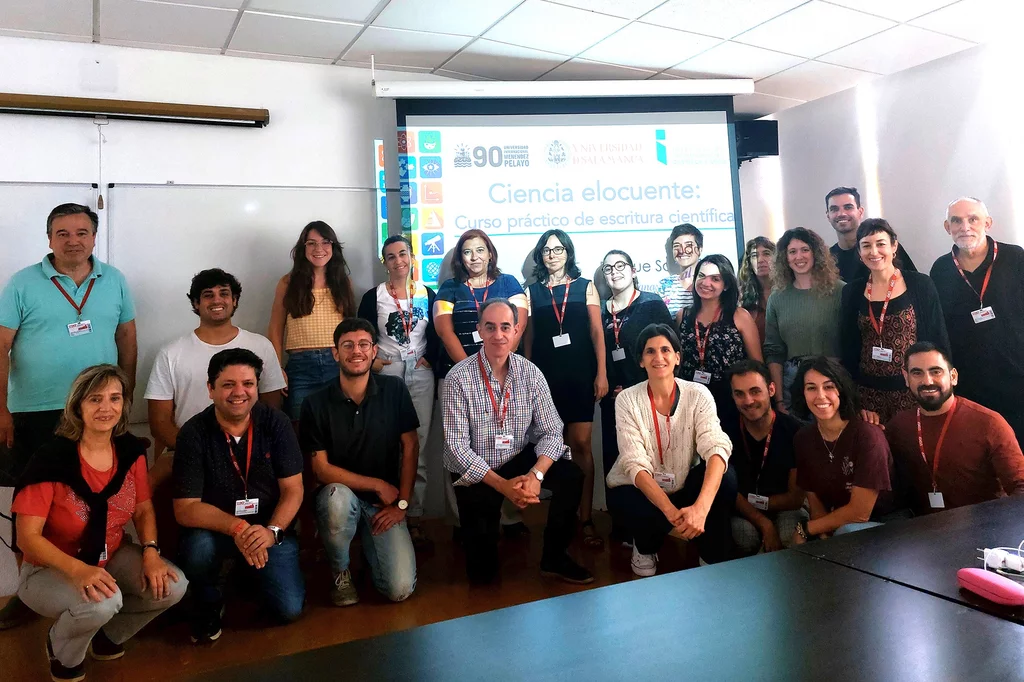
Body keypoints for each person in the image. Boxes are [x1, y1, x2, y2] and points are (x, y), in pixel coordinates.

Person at [0, 202, 137, 630]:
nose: (73, 240)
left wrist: (124, 397)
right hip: (35, 411)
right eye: (63, 233)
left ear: (94, 237)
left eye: (82, 232)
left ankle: (95, 576)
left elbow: (127, 336)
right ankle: (30, 587)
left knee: (97, 498)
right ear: (49, 239)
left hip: (98, 413)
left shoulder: (114, 280)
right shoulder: (22, 283)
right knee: (30, 507)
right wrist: (0, 408)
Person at [12, 365, 185, 682]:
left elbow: (143, 509)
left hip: (113, 554)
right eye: (95, 399)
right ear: (78, 406)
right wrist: (79, 570)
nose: (107, 408)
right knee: (103, 603)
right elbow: (28, 538)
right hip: (48, 569)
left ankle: (108, 636)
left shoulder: (131, 450)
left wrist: (150, 552)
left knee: (173, 586)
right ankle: (63, 652)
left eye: (115, 398)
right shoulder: (50, 459)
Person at [442, 298, 592, 585]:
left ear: (516, 330)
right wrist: (502, 486)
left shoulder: (531, 373)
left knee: (572, 476)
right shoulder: (458, 378)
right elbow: (457, 448)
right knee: (482, 575)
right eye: (490, 327)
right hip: (477, 469)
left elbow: (552, 431)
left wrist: (536, 475)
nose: (498, 335)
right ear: (479, 331)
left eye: (505, 327)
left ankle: (555, 558)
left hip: (517, 456)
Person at [173, 349, 305, 643]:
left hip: (268, 529)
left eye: (248, 383)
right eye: (228, 384)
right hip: (217, 531)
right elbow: (186, 509)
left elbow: (294, 490)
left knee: (289, 609)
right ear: (210, 390)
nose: (239, 392)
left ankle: (246, 576)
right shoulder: (193, 433)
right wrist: (238, 528)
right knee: (197, 549)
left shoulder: (276, 424)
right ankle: (208, 599)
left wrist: (271, 531)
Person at [300, 318, 418, 606]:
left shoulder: (395, 390)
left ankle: (370, 549)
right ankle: (341, 573)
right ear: (335, 353)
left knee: (399, 589)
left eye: (364, 344)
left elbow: (411, 446)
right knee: (337, 499)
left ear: (374, 351)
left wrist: (402, 504)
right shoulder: (314, 403)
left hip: (385, 506)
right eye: (348, 345)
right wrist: (377, 484)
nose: (357, 351)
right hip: (339, 498)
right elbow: (321, 469)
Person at [606, 324, 735, 575]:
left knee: (726, 478)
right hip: (641, 487)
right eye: (650, 351)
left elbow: (716, 445)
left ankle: (710, 552)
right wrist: (671, 513)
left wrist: (701, 509)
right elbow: (634, 462)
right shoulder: (627, 399)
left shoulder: (698, 394)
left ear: (677, 357)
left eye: (666, 350)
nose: (658, 357)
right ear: (641, 361)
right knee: (628, 501)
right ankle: (644, 546)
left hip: (683, 483)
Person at [434, 229, 528, 535]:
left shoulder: (509, 283)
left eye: (480, 250)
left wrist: (498, 365)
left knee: (508, 443)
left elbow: (518, 325)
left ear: (490, 253)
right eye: (467, 252)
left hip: (505, 376)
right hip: (459, 379)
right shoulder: (449, 288)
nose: (474, 257)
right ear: (460, 258)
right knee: (459, 448)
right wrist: (472, 370)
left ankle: (510, 515)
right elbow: (444, 331)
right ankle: (463, 519)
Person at [523, 230, 607, 548]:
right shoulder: (531, 292)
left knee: (581, 445)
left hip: (581, 376)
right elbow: (529, 339)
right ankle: (563, 516)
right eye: (547, 250)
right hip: (546, 380)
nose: (553, 254)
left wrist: (601, 374)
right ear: (540, 256)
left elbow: (597, 333)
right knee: (556, 448)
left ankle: (585, 518)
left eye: (559, 249)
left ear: (568, 252)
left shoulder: (586, 287)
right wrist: (527, 379)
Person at [146, 268, 286, 457]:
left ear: (234, 300)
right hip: (188, 453)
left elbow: (271, 410)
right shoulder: (170, 354)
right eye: (208, 295)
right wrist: (198, 453)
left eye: (224, 294)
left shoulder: (261, 346)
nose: (217, 300)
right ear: (196, 303)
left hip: (248, 455)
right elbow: (159, 423)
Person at [357, 235, 437, 549]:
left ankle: (413, 515)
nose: (398, 261)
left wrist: (434, 358)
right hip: (386, 376)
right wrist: (373, 364)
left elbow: (439, 331)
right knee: (386, 445)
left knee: (417, 445)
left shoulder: (428, 294)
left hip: (421, 374)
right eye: (390, 256)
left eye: (402, 254)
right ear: (384, 262)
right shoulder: (373, 297)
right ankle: (383, 512)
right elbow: (361, 333)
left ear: (412, 257)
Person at [886, 342, 1024, 515]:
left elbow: (1021, 487)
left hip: (983, 529)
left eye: (936, 371)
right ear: (906, 378)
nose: (927, 381)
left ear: (953, 376)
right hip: (921, 530)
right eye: (917, 373)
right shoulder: (898, 426)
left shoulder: (989, 423)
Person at [930, 197, 1024, 449]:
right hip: (970, 387)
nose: (965, 226)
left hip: (1017, 380)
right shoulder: (940, 270)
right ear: (947, 227)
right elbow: (940, 329)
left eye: (973, 219)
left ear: (988, 223)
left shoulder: (1016, 259)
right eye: (956, 221)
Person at [839, 219, 950, 422]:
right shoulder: (851, 292)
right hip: (868, 397)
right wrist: (853, 399)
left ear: (894, 246)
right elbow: (848, 348)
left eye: (880, 243)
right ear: (859, 252)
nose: (874, 251)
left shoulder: (920, 284)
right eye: (866, 245)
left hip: (914, 390)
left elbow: (938, 337)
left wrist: (942, 384)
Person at [598, 249, 672, 543]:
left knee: (644, 460)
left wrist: (636, 387)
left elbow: (667, 348)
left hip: (646, 396)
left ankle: (650, 525)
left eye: (620, 265)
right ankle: (621, 525)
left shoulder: (651, 304)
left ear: (632, 270)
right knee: (615, 462)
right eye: (608, 268)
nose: (614, 271)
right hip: (611, 401)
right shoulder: (601, 310)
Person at [790, 357, 893, 544]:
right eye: (811, 388)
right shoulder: (803, 438)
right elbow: (814, 501)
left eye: (829, 386)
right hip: (838, 525)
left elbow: (860, 513)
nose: (820, 395)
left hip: (888, 524)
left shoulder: (867, 436)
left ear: (842, 390)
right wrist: (822, 538)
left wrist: (807, 529)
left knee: (844, 533)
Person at [268, 221, 357, 420]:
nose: (319, 249)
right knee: (302, 428)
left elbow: (351, 329)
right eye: (311, 243)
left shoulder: (344, 283)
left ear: (334, 247)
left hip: (337, 363)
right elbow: (275, 328)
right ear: (303, 248)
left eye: (326, 242)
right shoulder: (288, 282)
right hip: (300, 368)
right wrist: (277, 368)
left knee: (340, 428)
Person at [724, 360, 807, 556]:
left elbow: (796, 498)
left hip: (786, 508)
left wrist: (764, 508)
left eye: (755, 391)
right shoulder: (724, 431)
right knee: (743, 537)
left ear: (771, 389)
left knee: (791, 535)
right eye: (739, 394)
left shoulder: (794, 431)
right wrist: (764, 524)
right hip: (744, 511)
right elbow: (726, 489)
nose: (748, 401)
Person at [764, 228, 845, 412]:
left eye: (805, 250)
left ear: (816, 253)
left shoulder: (841, 291)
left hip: (833, 378)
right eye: (792, 251)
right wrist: (779, 400)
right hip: (793, 382)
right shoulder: (777, 298)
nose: (798, 256)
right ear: (785, 257)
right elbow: (773, 350)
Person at [677, 254, 762, 422]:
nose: (706, 283)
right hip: (691, 398)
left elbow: (757, 364)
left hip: (730, 399)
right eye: (701, 276)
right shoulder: (683, 315)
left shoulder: (739, 316)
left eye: (715, 279)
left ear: (726, 285)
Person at [825, 186, 917, 282]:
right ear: (828, 216)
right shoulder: (827, 259)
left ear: (860, 212)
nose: (841, 213)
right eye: (834, 209)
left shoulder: (886, 249)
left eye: (848, 207)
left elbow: (915, 285)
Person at [655, 223, 703, 317]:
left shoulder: (708, 283)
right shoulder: (663, 286)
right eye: (677, 246)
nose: (682, 251)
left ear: (700, 249)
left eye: (688, 245)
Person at [738, 236, 775, 345]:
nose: (760, 260)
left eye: (766, 254)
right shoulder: (741, 295)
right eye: (754, 256)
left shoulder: (787, 291)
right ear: (748, 262)